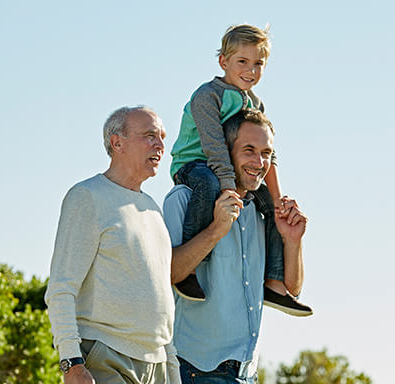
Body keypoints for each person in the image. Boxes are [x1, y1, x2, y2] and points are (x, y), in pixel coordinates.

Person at [168, 24, 312, 316]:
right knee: (208, 184)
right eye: (242, 62)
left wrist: (277, 198)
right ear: (224, 62)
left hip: (227, 169)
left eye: (258, 63)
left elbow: (268, 154)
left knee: (270, 205)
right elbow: (214, 146)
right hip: (194, 164)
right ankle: (189, 268)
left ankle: (273, 282)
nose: (251, 70)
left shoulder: (255, 104)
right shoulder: (207, 96)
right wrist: (228, 187)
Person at [163, 109, 309, 383]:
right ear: (225, 151)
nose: (259, 161)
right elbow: (170, 274)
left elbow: (292, 287)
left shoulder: (262, 212)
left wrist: (292, 240)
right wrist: (217, 229)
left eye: (266, 153)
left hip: (248, 373)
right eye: (249, 150)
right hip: (196, 371)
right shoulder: (183, 199)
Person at [45, 106, 180, 384]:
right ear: (117, 142)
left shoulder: (154, 210)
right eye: (149, 135)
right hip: (105, 357)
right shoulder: (87, 196)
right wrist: (71, 363)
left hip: (157, 365)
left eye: (162, 137)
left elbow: (162, 301)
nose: (160, 145)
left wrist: (172, 366)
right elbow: (61, 289)